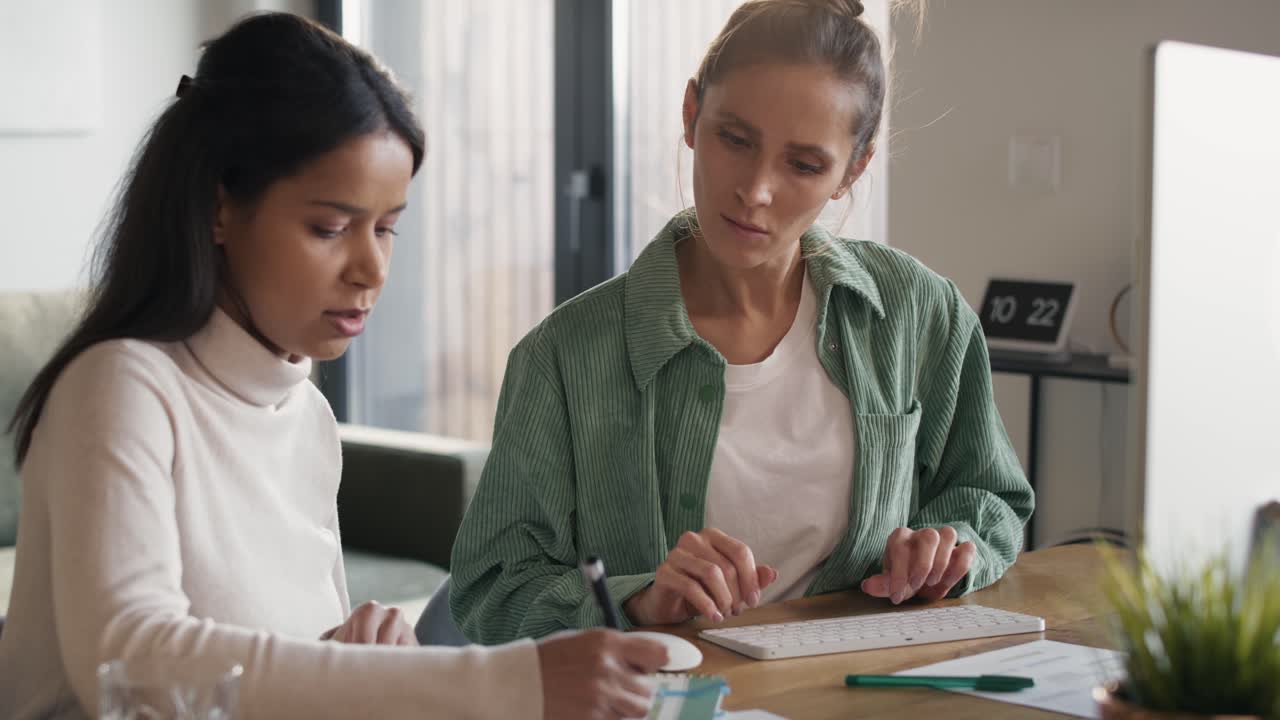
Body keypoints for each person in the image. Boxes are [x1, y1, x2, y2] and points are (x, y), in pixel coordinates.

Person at [0, 13, 664, 720]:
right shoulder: (121, 387)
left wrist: (347, 652)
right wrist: (503, 683)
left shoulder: (306, 415)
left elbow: (256, 666)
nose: (371, 269)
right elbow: (131, 658)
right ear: (219, 207)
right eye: (329, 227)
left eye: (386, 228)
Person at [449, 0, 1034, 645]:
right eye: (735, 139)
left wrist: (949, 548)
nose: (755, 190)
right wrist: (638, 601)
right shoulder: (563, 357)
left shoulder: (920, 313)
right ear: (691, 116)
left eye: (804, 165)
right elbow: (492, 593)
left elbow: (989, 497)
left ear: (852, 171)